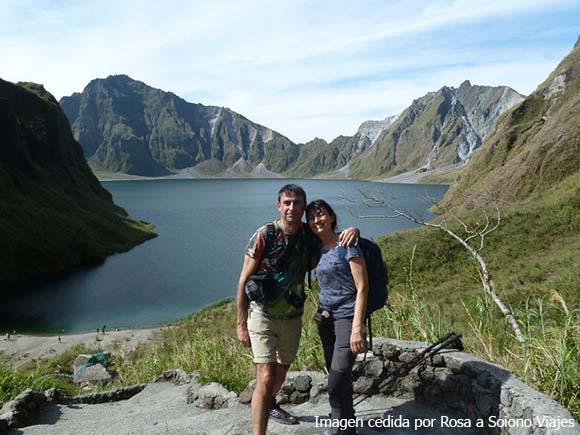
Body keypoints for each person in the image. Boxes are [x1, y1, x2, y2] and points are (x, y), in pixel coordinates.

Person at [236, 184, 358, 435]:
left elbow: (332, 240)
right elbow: (243, 280)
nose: (292, 207)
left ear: (303, 207)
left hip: (292, 316)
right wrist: (240, 324)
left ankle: (270, 403)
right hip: (262, 314)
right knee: (266, 375)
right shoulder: (264, 234)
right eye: (287, 202)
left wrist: (353, 230)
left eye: (297, 203)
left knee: (281, 369)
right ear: (279, 205)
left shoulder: (308, 234)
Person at [306, 199, 368, 435]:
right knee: (339, 378)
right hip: (325, 319)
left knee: (335, 378)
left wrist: (356, 329)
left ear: (332, 217)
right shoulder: (315, 248)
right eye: (311, 217)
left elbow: (362, 287)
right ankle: (347, 425)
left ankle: (338, 425)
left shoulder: (348, 244)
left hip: (346, 317)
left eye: (321, 215)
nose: (316, 220)